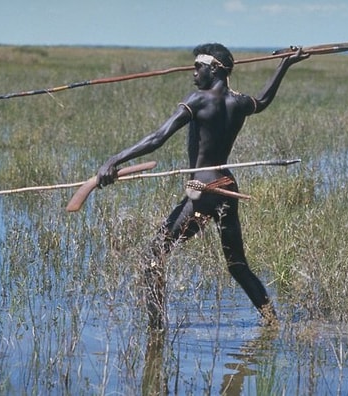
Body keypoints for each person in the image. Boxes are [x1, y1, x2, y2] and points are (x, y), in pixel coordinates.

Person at [97, 43, 308, 330]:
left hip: (203, 190)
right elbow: (264, 100)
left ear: (216, 69)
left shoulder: (198, 100)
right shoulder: (239, 103)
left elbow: (158, 137)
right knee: (237, 266)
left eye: (199, 66)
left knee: (153, 256)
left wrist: (114, 159)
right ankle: (272, 323)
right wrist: (285, 64)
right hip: (227, 186)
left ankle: (156, 330)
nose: (193, 72)